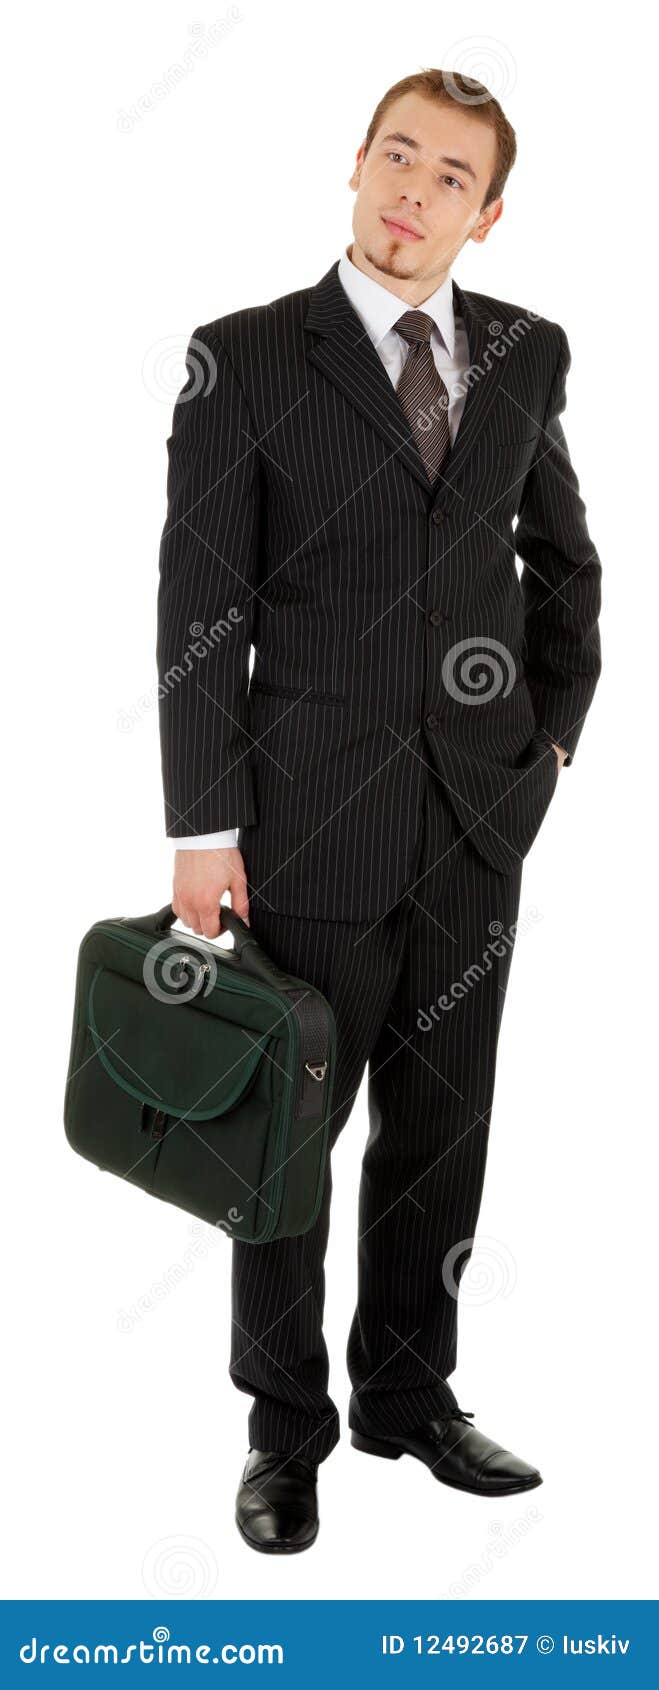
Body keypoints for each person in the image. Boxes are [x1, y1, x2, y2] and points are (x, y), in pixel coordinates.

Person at [156, 68, 602, 1554]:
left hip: (476, 829)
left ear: (489, 212)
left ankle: (412, 1395)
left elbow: (568, 566)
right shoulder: (246, 361)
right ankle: (285, 1432)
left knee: (441, 1134)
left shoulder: (526, 355)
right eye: (396, 158)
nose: (414, 193)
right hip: (305, 831)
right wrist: (203, 824)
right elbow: (201, 605)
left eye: (450, 176)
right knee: (284, 1142)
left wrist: (548, 748)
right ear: (355, 168)